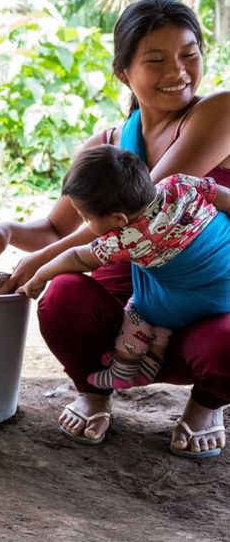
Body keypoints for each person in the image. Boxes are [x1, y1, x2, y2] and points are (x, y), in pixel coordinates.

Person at [0, 0, 230, 459]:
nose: (177, 71)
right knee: (60, 297)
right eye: (155, 60)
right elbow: (58, 230)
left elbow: (145, 211)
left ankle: (207, 406)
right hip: (129, 325)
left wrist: (41, 260)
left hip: (213, 317)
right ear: (124, 71)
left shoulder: (219, 111)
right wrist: (6, 230)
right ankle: (95, 394)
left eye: (189, 54)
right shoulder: (108, 146)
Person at [17, 145, 230, 390]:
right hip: (224, 286)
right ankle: (153, 358)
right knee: (163, 287)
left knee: (139, 309)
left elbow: (77, 257)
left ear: (119, 219)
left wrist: (40, 276)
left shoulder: (127, 238)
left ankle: (124, 369)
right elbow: (224, 196)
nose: (86, 223)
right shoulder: (179, 183)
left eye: (86, 219)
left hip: (207, 301)